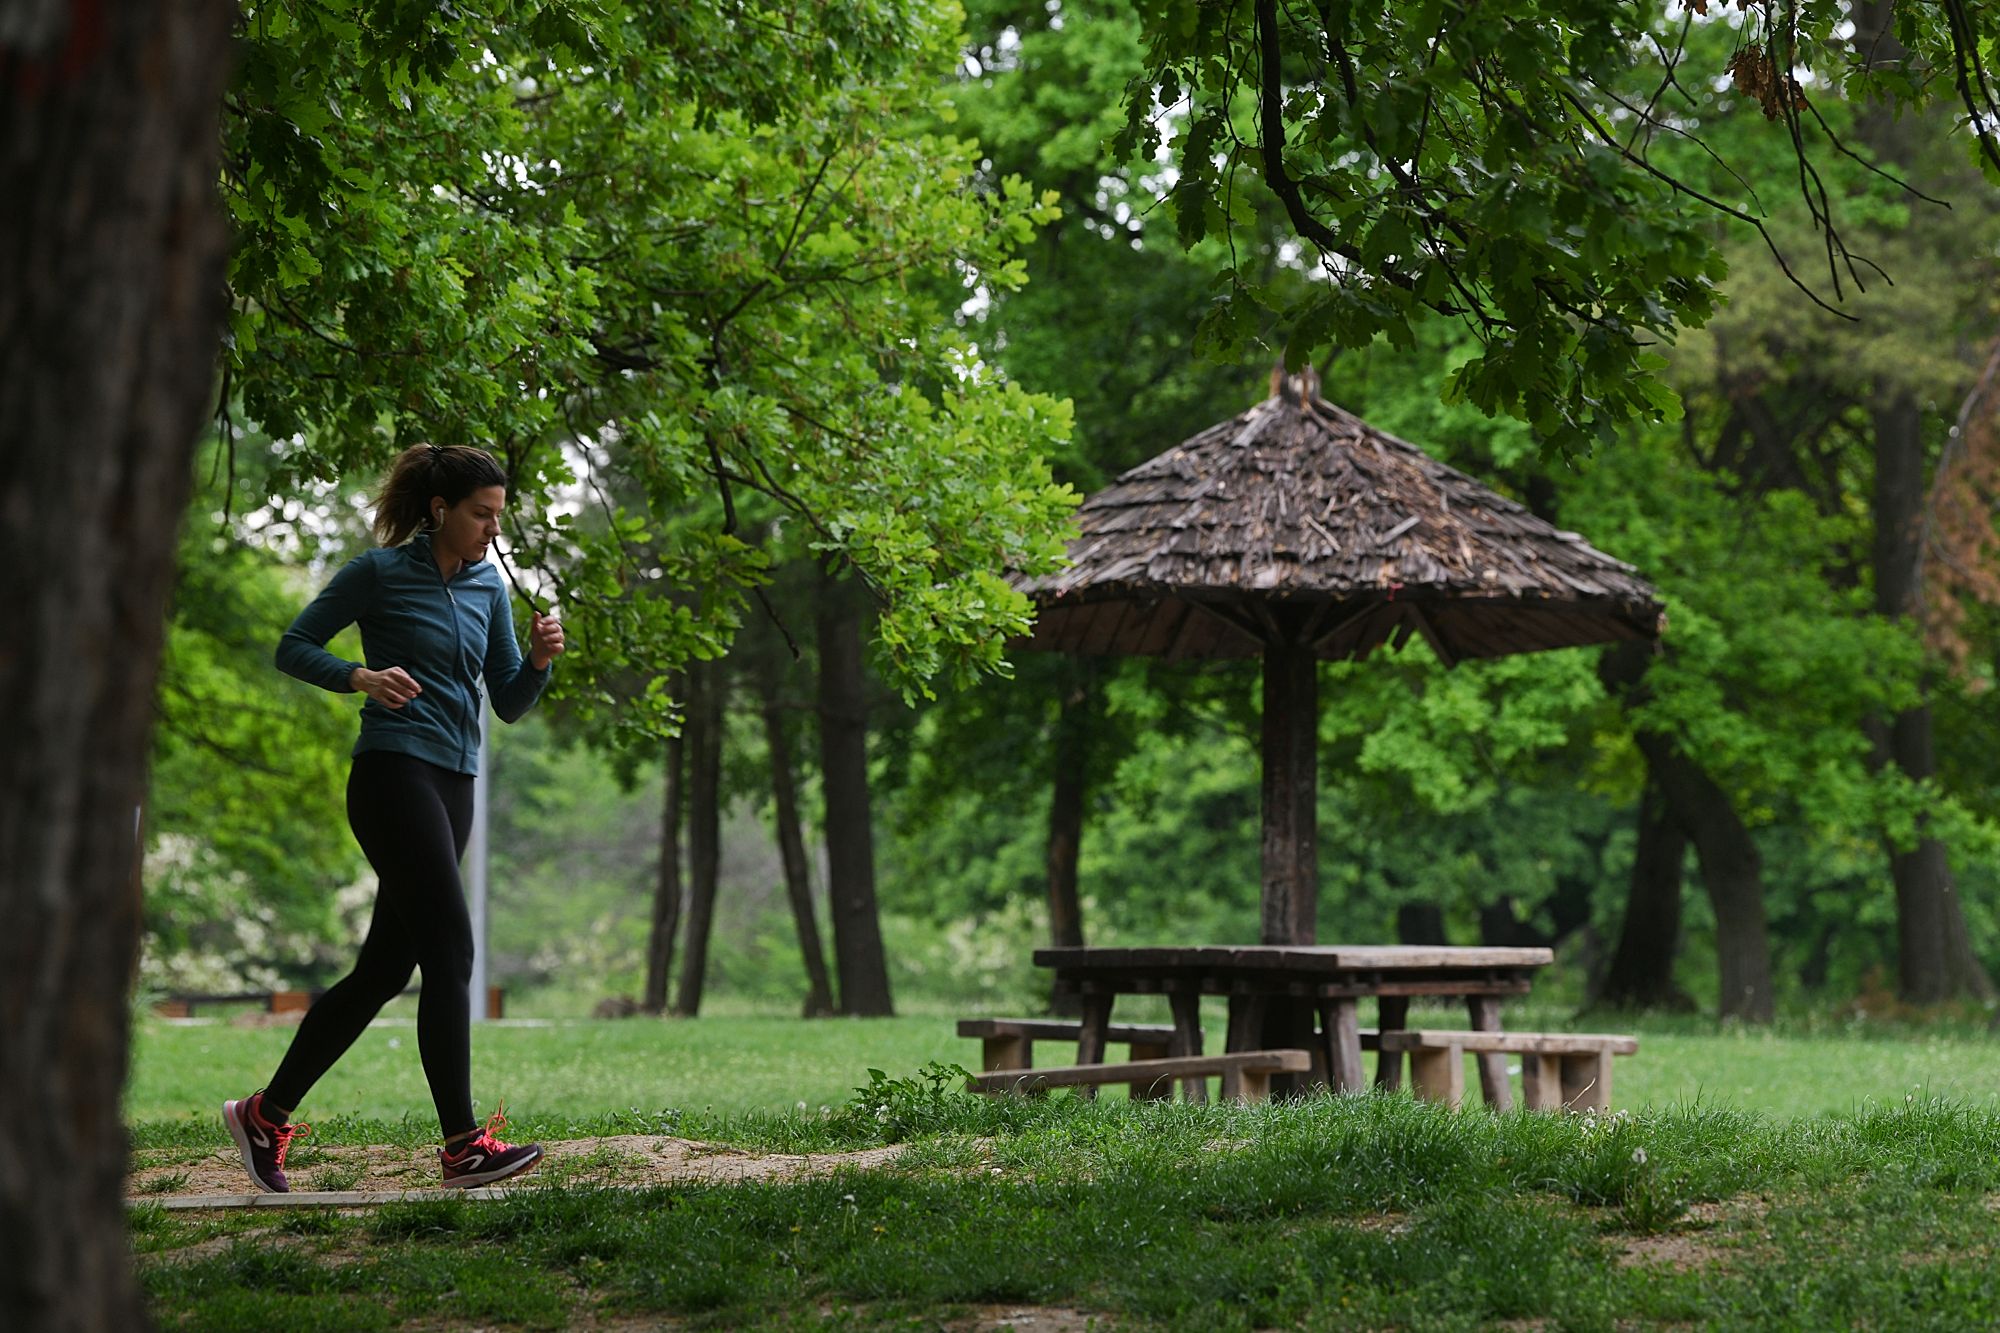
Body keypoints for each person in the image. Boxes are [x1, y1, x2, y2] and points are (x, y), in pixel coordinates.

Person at [223, 444, 567, 1192]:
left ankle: (263, 1114)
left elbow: (508, 700)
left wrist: (540, 663)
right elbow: (293, 646)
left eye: (499, 516)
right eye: (481, 514)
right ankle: (463, 1146)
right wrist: (359, 676)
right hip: (391, 772)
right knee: (451, 948)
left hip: (454, 781)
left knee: (384, 969)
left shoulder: (488, 588)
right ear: (441, 510)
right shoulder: (377, 573)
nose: (493, 530)